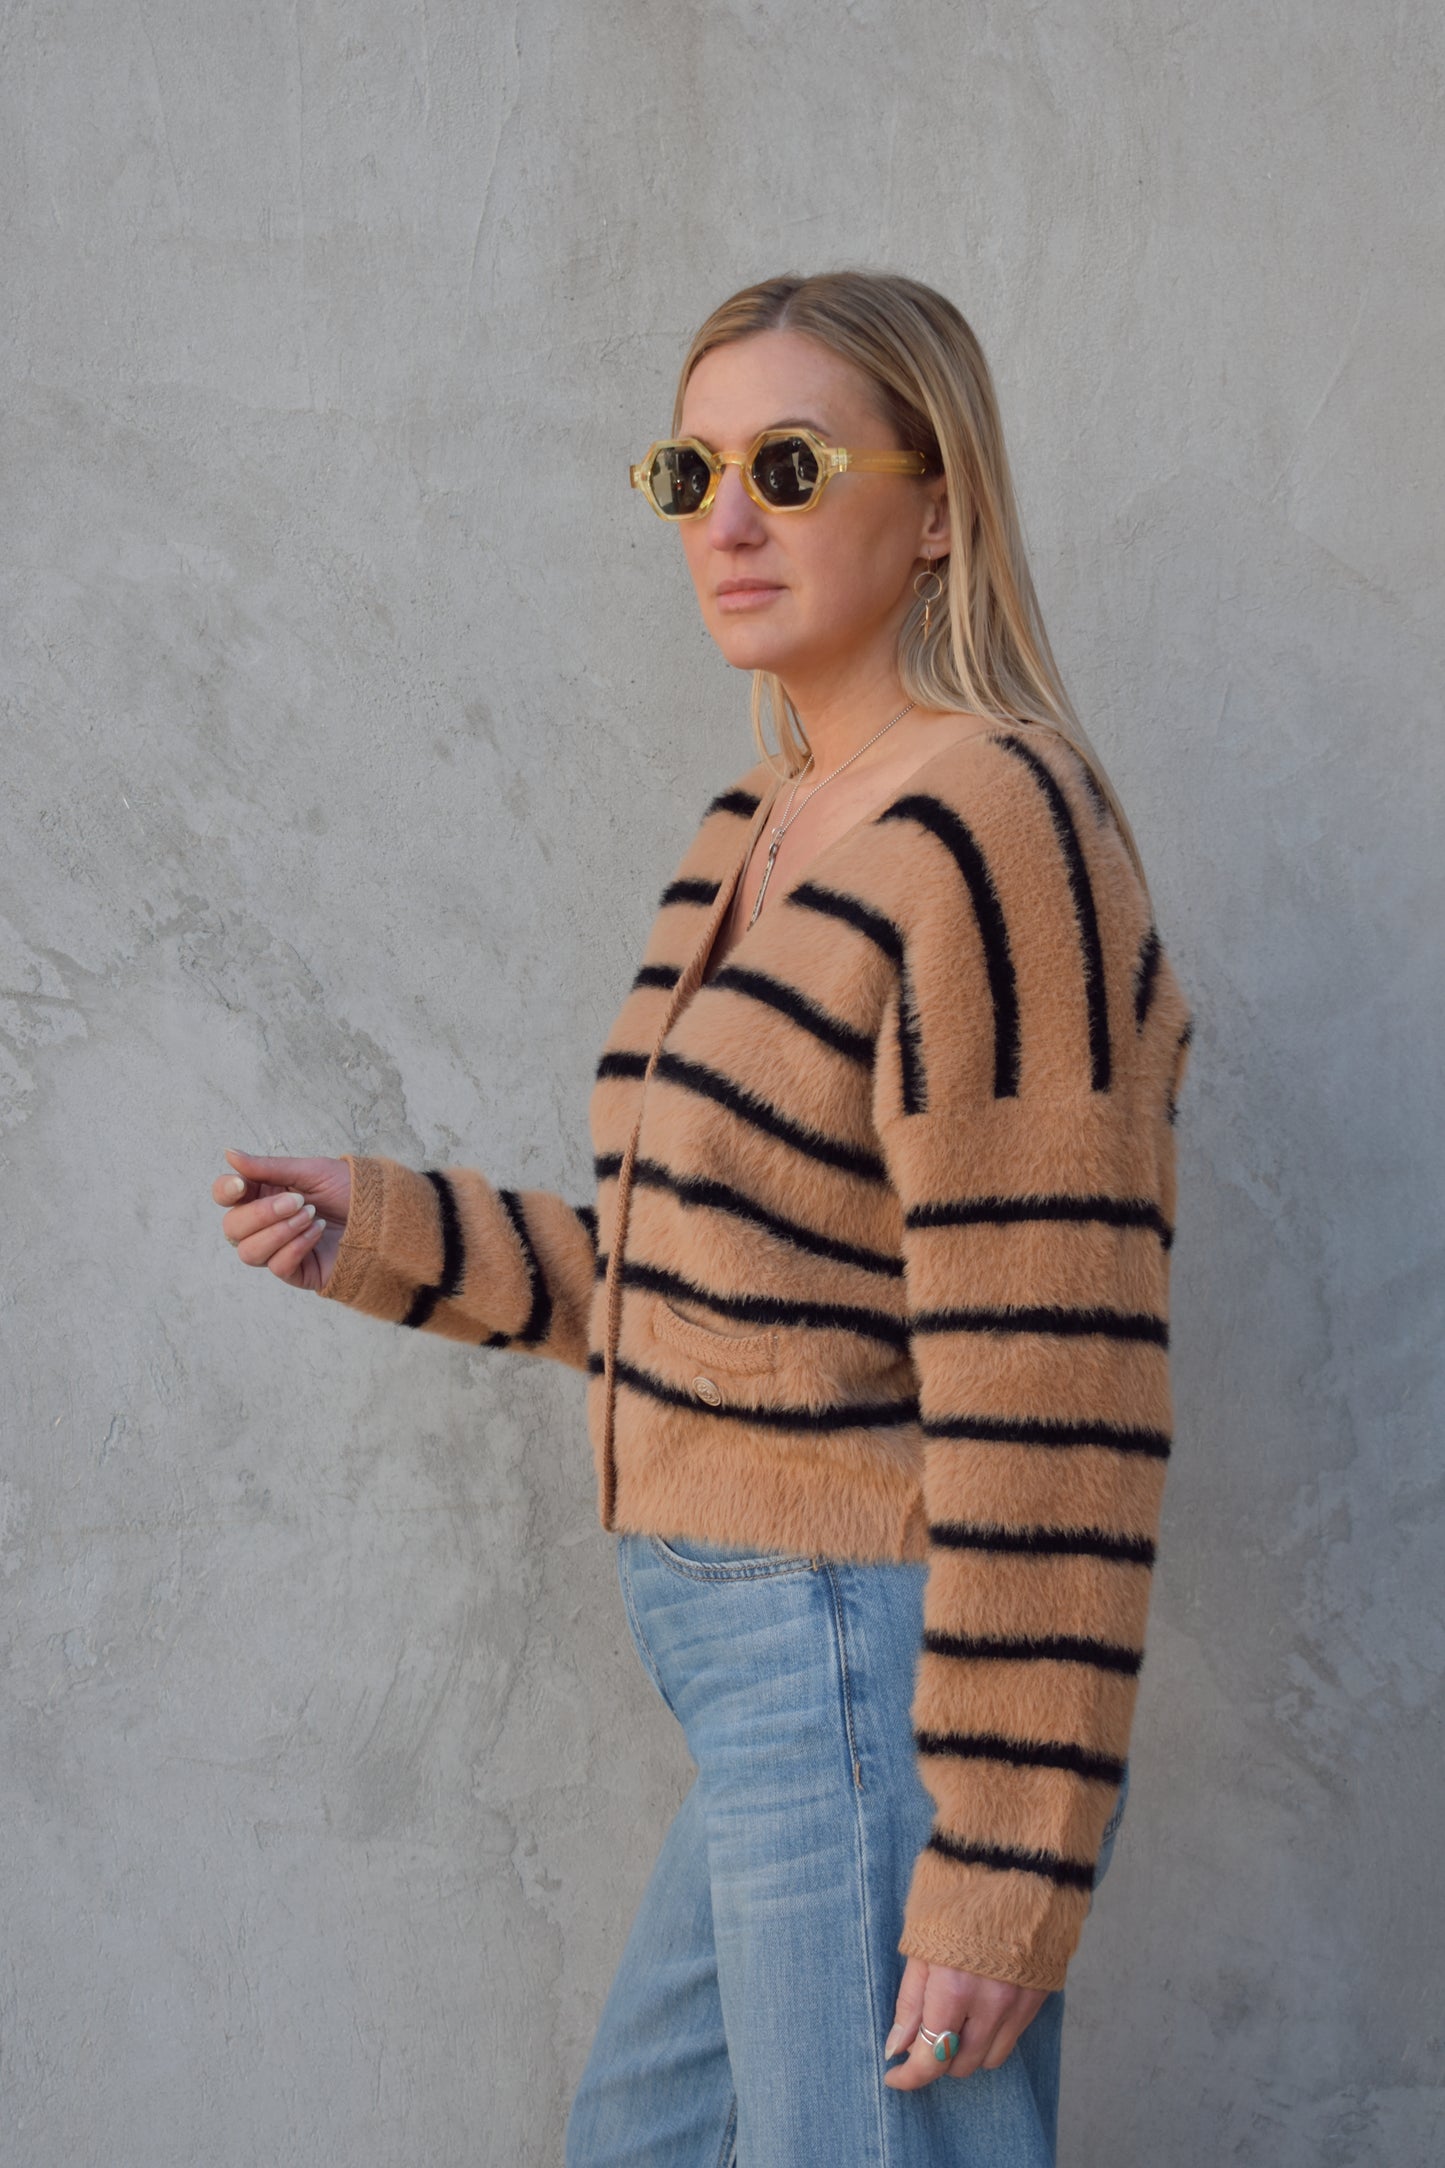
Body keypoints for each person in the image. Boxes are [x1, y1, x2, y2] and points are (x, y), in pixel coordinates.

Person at [212, 270, 1194, 2166]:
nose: (725, 519)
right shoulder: (754, 822)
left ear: (937, 508)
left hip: (871, 1659)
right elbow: (727, 1291)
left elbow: (1061, 1387)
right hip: (764, 1678)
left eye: (789, 462)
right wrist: (391, 1232)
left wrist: (1004, 1862)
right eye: (690, 469)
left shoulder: (1005, 833)